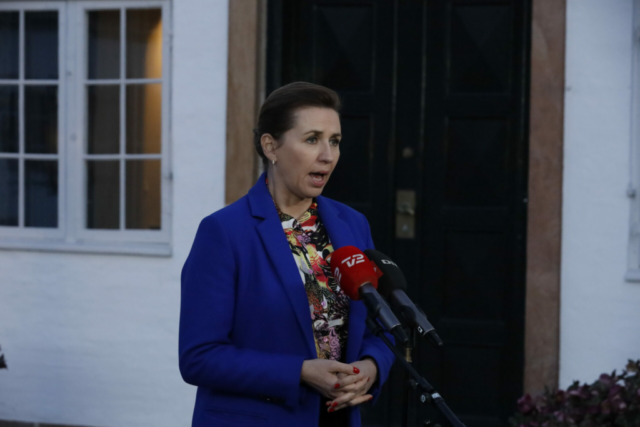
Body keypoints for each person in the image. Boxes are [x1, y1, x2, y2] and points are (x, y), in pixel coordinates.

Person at [179, 82, 395, 427]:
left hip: (338, 418)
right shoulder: (224, 232)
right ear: (271, 147)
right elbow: (199, 357)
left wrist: (371, 367)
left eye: (334, 141)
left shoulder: (352, 223)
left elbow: (381, 324)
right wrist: (300, 372)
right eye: (312, 139)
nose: (328, 155)